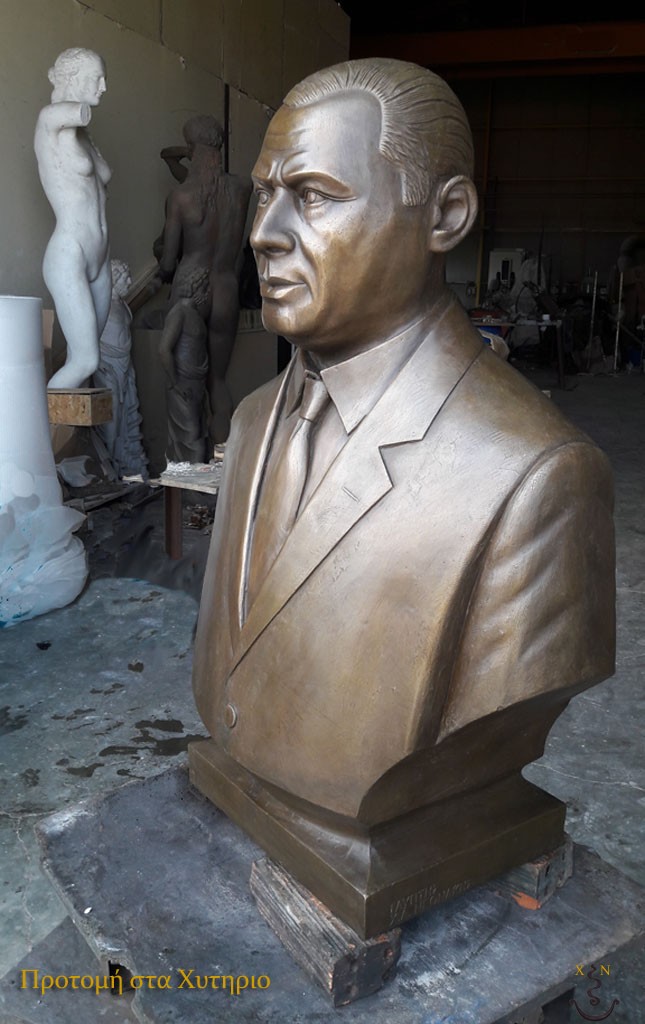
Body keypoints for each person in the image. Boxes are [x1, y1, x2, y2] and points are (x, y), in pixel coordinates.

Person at [190, 59, 615, 935]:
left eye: (314, 196)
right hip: (241, 775)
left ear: (445, 217)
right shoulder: (253, 419)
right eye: (264, 194)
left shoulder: (535, 478)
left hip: (387, 828)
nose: (263, 233)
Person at [156, 116, 252, 443]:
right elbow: (209, 186)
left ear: (192, 149)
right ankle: (224, 459)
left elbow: (168, 262)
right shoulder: (241, 189)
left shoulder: (181, 197)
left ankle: (190, 457)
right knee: (217, 382)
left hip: (190, 286)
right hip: (226, 288)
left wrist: (162, 266)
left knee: (185, 382)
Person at [34, 48, 112, 389]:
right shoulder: (49, 121)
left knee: (86, 364)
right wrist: (71, 96)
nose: (104, 86)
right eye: (96, 78)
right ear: (71, 78)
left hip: (101, 257)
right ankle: (39, 421)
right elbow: (73, 112)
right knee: (85, 361)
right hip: (70, 253)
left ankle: (70, 425)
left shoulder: (84, 138)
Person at [93, 260, 148, 479]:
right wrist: (99, 364)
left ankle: (128, 463)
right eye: (125, 278)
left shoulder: (123, 305)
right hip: (107, 366)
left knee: (128, 413)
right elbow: (88, 338)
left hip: (125, 365)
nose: (130, 281)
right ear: (113, 280)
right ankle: (110, 465)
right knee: (112, 414)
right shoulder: (101, 306)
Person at [158, 268, 210, 464]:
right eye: (205, 288)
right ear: (195, 289)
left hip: (197, 384)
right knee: (192, 440)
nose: (208, 294)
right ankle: (190, 483)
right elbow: (164, 349)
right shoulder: (178, 313)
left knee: (200, 435)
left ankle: (194, 481)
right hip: (182, 385)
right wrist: (176, 383)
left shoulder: (195, 315)